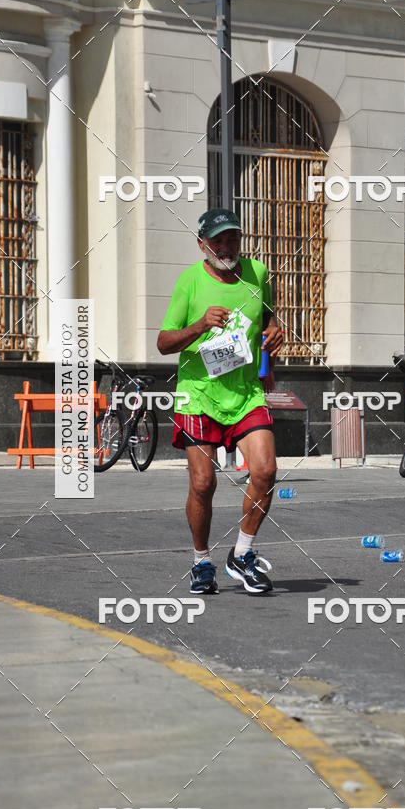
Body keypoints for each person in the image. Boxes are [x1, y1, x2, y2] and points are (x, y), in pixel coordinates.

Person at [157, 208, 284, 595]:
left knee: (265, 470)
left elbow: (269, 319)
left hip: (246, 393)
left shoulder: (258, 273)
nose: (226, 247)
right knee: (203, 483)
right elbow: (163, 343)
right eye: (218, 241)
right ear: (202, 244)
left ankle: (242, 553)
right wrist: (199, 325)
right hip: (198, 395)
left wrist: (276, 334)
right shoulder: (189, 282)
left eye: (232, 239)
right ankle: (201, 561)